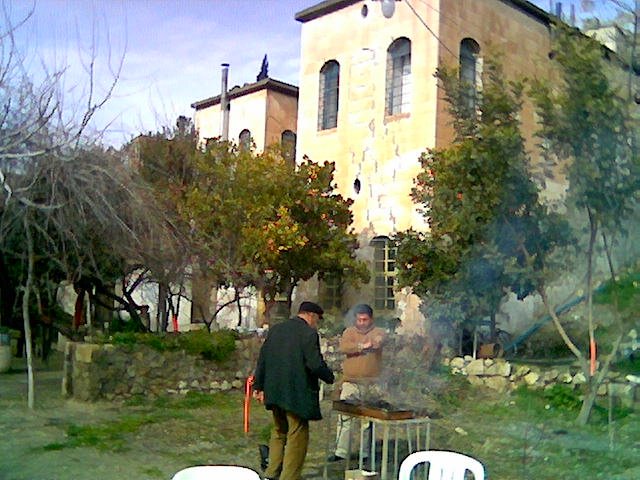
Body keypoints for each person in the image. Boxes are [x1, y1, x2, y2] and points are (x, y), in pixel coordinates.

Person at [254, 301, 335, 480]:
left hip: (274, 390)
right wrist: (330, 377)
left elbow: (263, 358)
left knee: (278, 432)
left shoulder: (277, 329)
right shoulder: (308, 333)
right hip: (295, 393)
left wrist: (258, 386)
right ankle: (289, 477)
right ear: (312, 316)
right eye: (317, 320)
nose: (316, 324)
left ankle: (271, 473)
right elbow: (314, 364)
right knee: (297, 435)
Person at [328, 303, 387, 462]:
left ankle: (365, 452)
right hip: (351, 382)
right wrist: (361, 346)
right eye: (359, 319)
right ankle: (341, 452)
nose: (361, 322)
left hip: (371, 384)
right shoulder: (349, 332)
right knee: (345, 418)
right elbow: (345, 347)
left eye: (365, 319)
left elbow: (379, 341)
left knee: (367, 421)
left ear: (371, 319)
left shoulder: (378, 331)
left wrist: (374, 342)